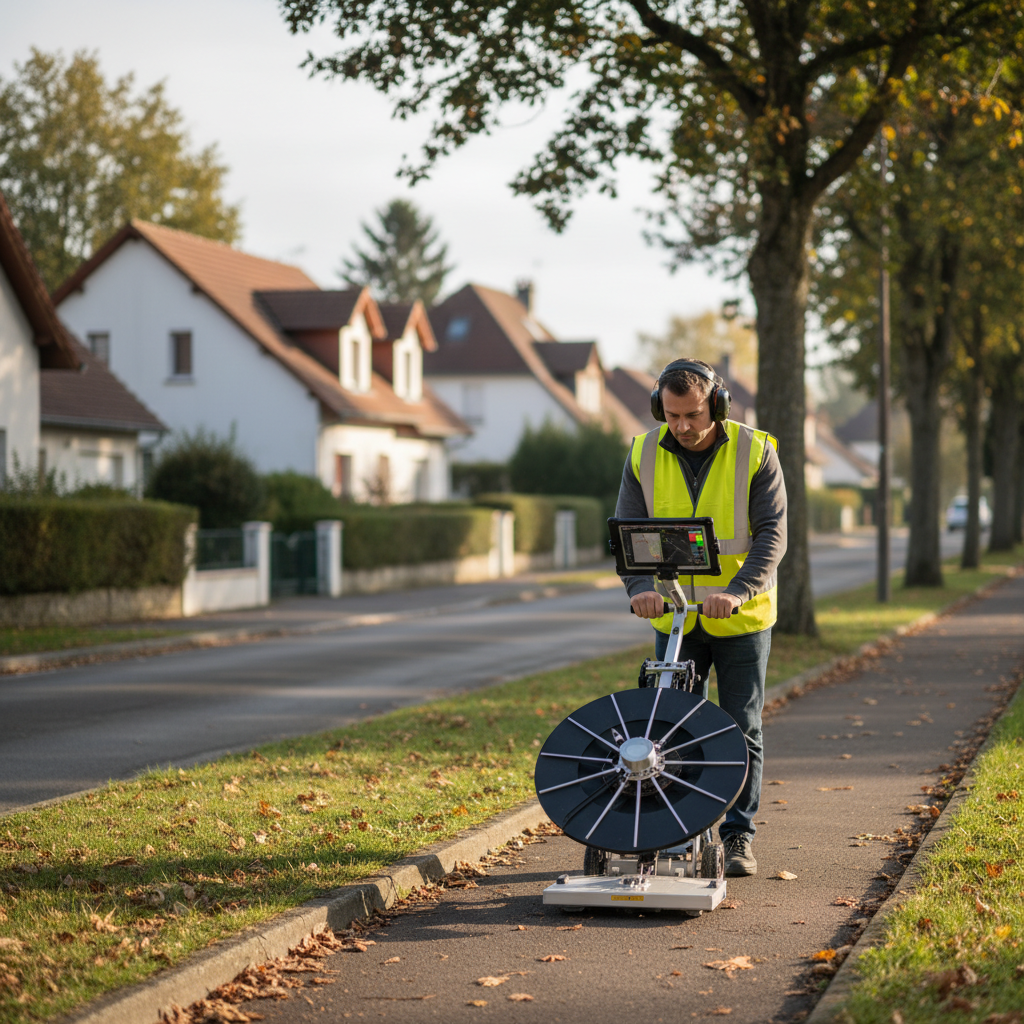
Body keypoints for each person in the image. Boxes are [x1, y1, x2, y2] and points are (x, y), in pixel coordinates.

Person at [615, 358, 787, 876]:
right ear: (658, 407)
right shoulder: (643, 452)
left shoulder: (756, 451)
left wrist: (736, 592)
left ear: (717, 404)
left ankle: (737, 836)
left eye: (692, 414)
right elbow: (627, 531)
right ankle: (674, 830)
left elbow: (772, 536)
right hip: (675, 620)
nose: (683, 426)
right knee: (669, 732)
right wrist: (640, 588)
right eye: (672, 415)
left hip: (741, 618)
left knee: (740, 728)